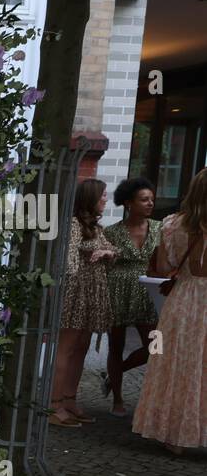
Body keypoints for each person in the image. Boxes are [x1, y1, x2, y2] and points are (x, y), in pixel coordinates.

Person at [133, 167, 207, 452]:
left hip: (182, 300)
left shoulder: (172, 225)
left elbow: (164, 268)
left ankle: (172, 435)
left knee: (173, 364)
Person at [48, 179, 116, 427]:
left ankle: (69, 399)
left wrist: (106, 252)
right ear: (90, 198)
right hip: (75, 292)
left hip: (90, 293)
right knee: (66, 347)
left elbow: (110, 250)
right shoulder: (73, 224)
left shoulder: (96, 228)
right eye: (103, 195)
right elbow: (68, 258)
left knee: (81, 346)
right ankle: (53, 405)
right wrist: (98, 250)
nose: (105, 199)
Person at [103, 177, 162, 416]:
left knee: (156, 347)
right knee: (115, 346)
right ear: (129, 203)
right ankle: (117, 398)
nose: (150, 204)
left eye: (152, 200)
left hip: (148, 292)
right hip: (117, 291)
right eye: (144, 199)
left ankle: (115, 374)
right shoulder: (112, 232)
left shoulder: (161, 228)